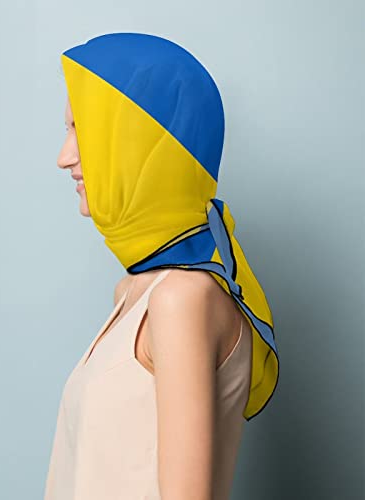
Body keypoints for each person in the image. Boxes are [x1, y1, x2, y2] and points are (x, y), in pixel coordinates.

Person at [44, 33, 279, 500]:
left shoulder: (180, 299)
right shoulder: (134, 292)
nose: (64, 157)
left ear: (137, 141)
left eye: (81, 130)